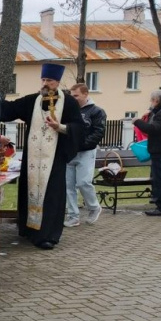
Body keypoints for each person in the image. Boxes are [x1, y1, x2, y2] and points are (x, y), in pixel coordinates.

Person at [0, 63, 84, 250]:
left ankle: (48, 235)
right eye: (43, 79)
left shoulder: (69, 103)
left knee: (51, 196)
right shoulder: (33, 101)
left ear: (57, 82)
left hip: (54, 159)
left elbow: (79, 127)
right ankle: (30, 230)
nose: (45, 83)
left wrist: (60, 127)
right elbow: (9, 109)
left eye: (49, 80)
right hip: (32, 159)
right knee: (30, 191)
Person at [64, 83, 105, 227]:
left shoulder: (96, 111)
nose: (73, 98)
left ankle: (94, 207)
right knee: (68, 186)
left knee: (83, 182)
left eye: (76, 95)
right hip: (69, 152)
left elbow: (98, 132)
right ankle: (73, 216)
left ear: (85, 94)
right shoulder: (68, 111)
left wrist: (82, 144)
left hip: (86, 152)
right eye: (72, 96)